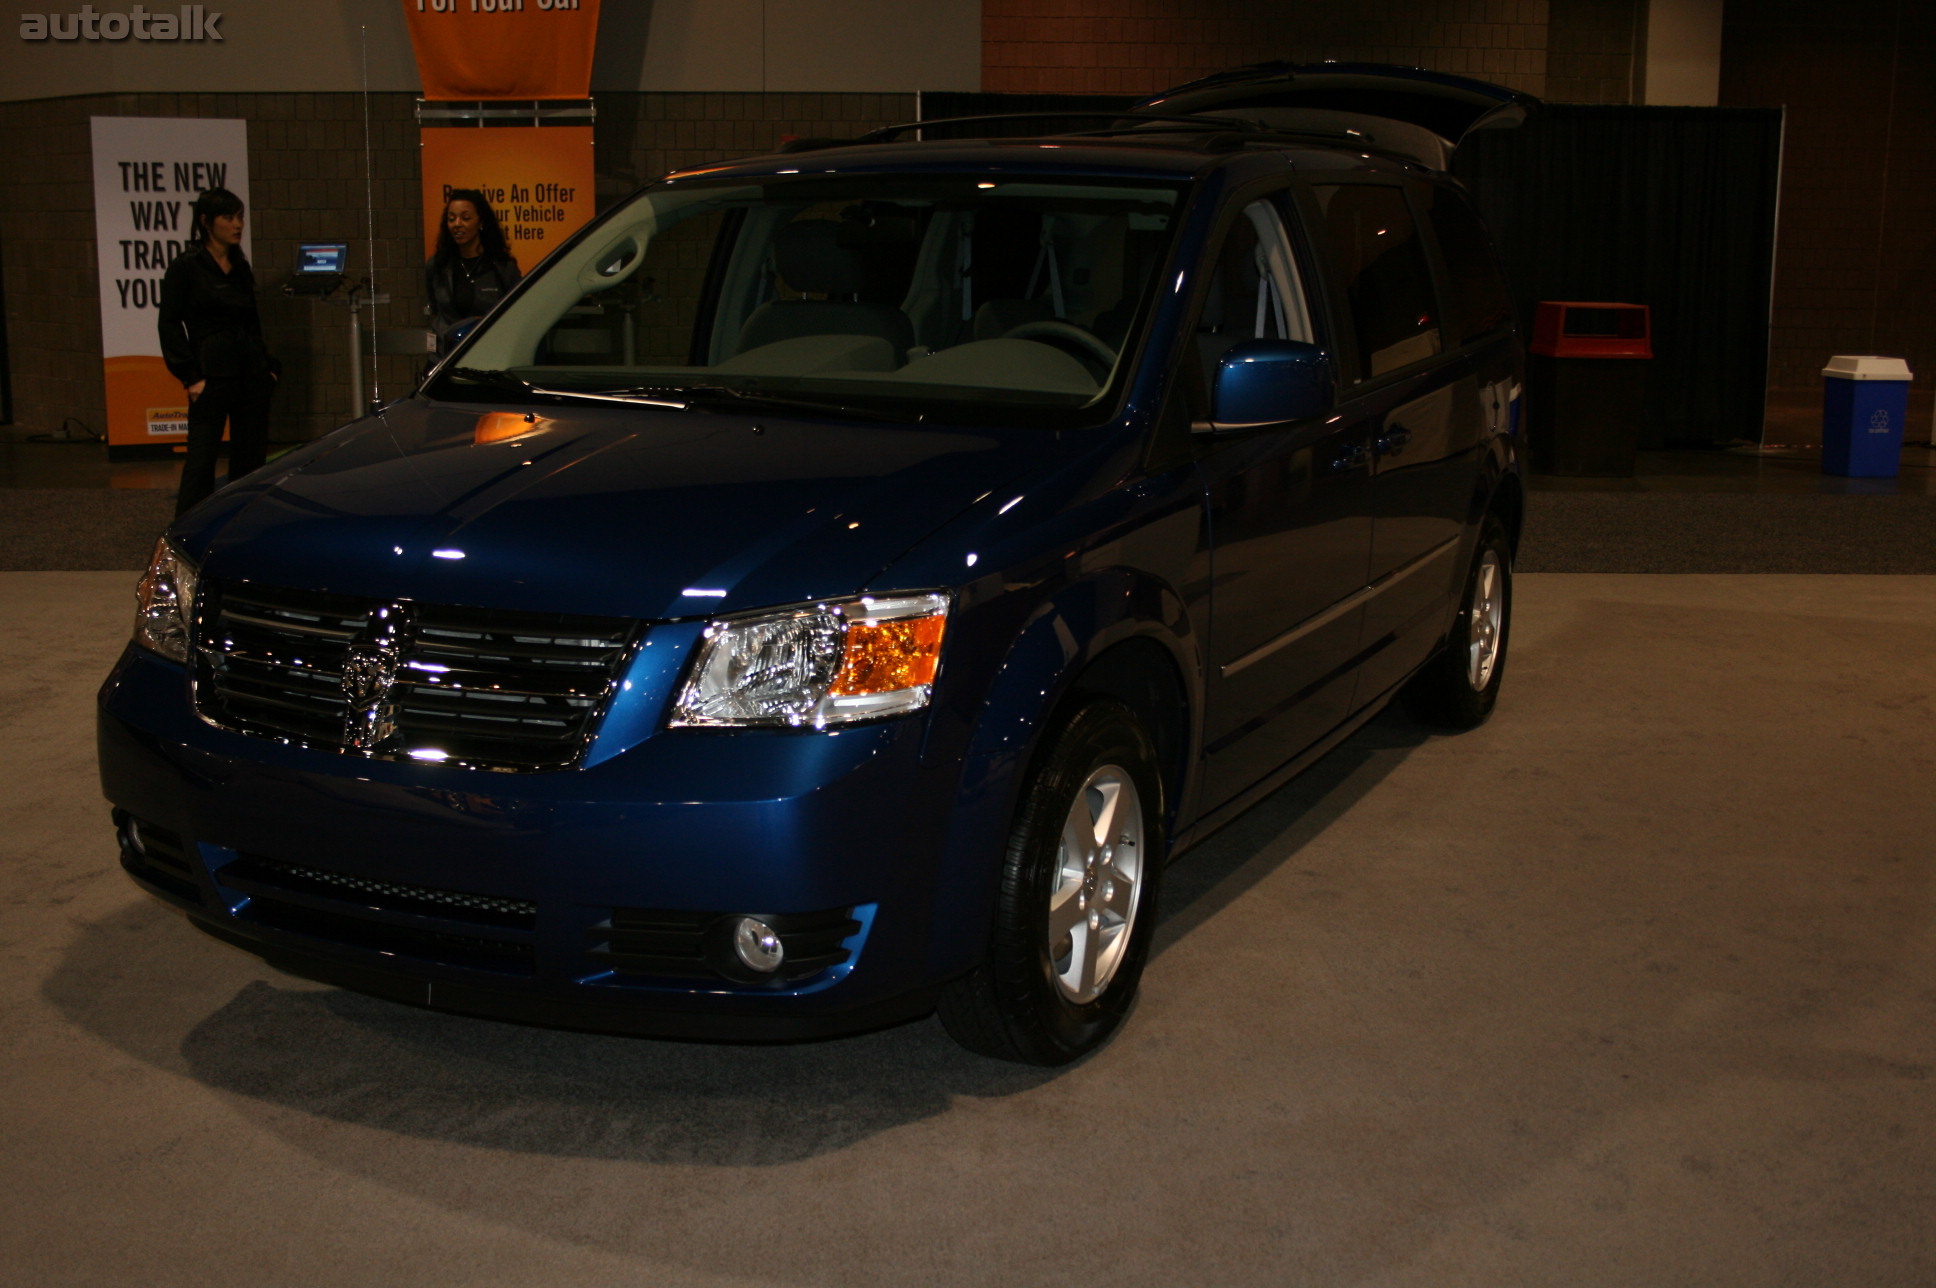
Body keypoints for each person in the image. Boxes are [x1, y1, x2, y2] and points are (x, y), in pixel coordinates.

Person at [158, 186, 280, 516]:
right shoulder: (186, 267)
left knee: (251, 460)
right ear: (206, 222)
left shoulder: (240, 267)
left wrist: (268, 368)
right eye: (229, 217)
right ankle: (187, 534)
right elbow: (168, 323)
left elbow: (252, 322)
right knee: (201, 461)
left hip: (251, 376)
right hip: (210, 377)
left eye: (240, 216)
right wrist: (189, 375)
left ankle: (241, 525)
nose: (238, 224)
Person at [426, 189, 521, 351]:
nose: (457, 224)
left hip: (489, 354)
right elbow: (435, 309)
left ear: (481, 222)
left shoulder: (502, 267)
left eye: (466, 218)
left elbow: (516, 313)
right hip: (446, 357)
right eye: (451, 218)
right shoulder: (438, 265)